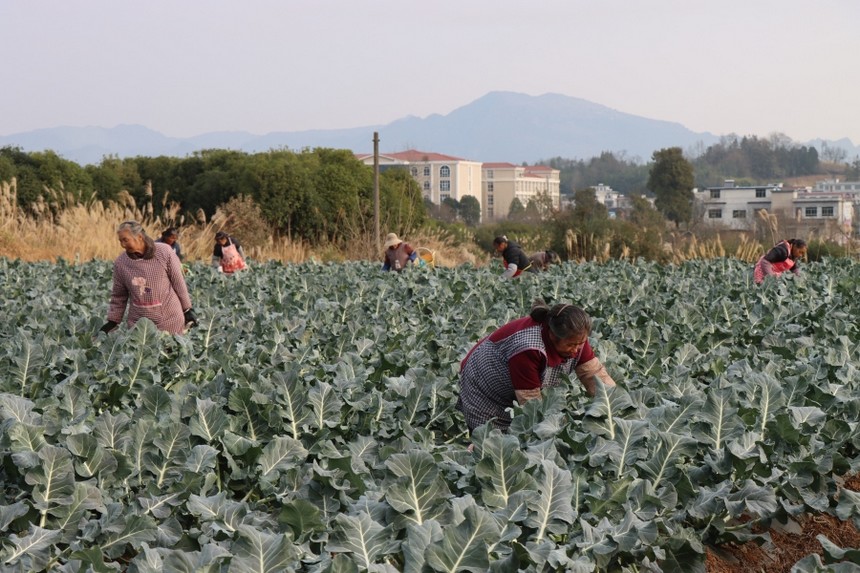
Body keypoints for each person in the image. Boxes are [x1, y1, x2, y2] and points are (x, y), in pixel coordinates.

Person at [457, 300, 617, 433]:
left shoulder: (575, 335)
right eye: (571, 345)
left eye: (580, 344)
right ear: (553, 336)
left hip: (512, 385)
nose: (576, 350)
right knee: (491, 441)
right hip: (484, 386)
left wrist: (615, 407)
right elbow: (530, 404)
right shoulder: (528, 348)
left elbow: (594, 374)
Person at [101, 221, 197, 334]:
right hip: (139, 322)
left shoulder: (164, 252)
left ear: (140, 237)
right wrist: (113, 321)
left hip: (169, 318)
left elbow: (178, 282)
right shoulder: (121, 263)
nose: (122, 245)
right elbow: (119, 295)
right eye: (120, 241)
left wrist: (187, 309)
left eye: (125, 240)